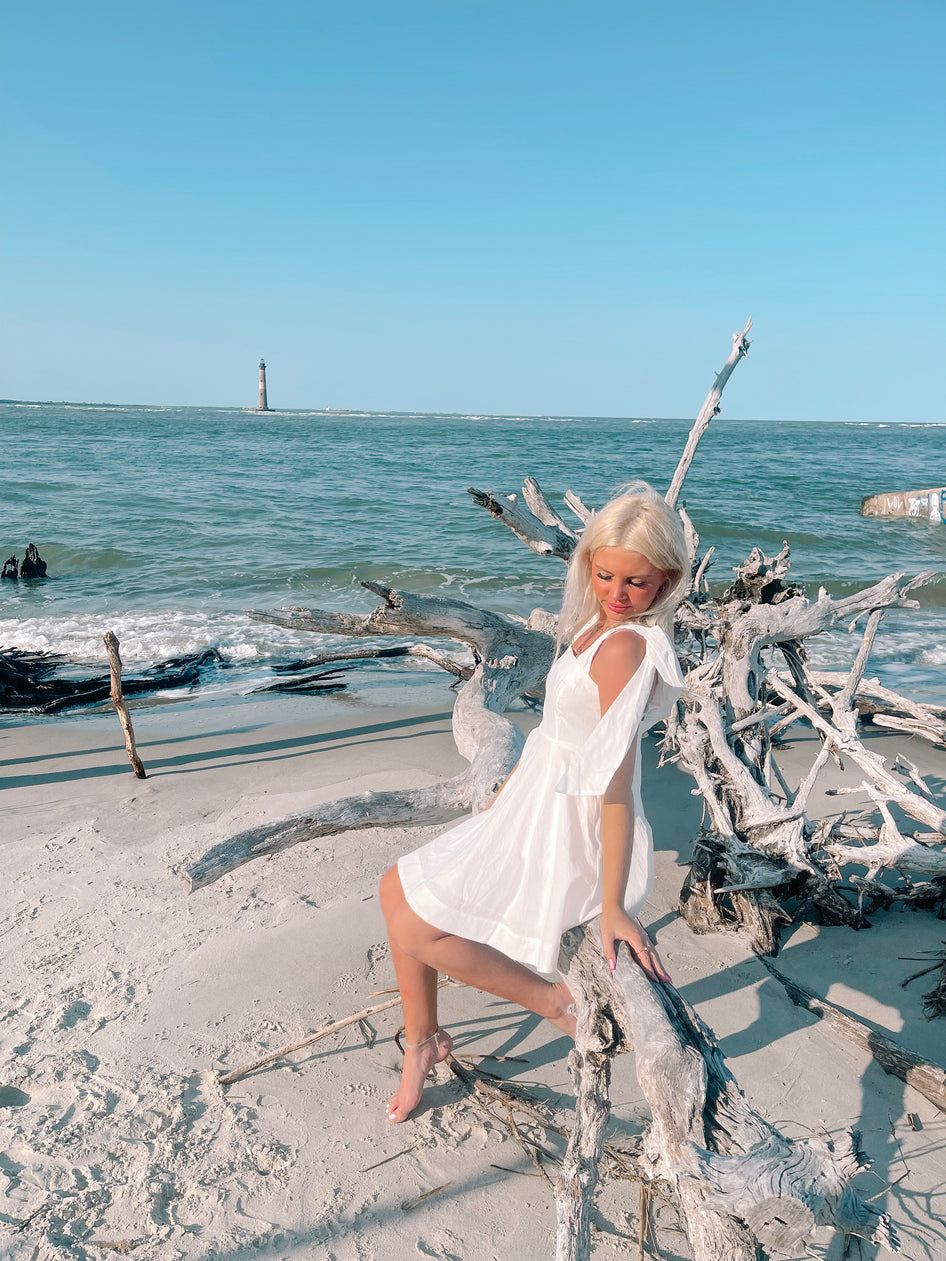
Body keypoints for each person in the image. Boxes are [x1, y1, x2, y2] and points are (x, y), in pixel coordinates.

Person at [379, 481, 689, 1123]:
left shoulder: (627, 647)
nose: (617, 593)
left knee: (415, 921)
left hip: (567, 825)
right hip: (534, 798)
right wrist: (506, 799)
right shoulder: (599, 624)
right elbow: (558, 736)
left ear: (664, 581)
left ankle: (556, 1005)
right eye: (605, 574)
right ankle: (423, 1043)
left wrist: (611, 904)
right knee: (394, 889)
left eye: (636, 582)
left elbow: (615, 781)